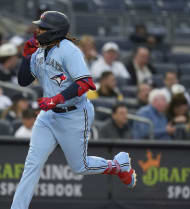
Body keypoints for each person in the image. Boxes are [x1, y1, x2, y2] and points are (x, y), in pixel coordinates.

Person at [11, 11, 136, 209]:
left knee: (80, 167)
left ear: (53, 32)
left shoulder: (69, 50)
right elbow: (23, 81)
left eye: (42, 28)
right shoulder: (39, 50)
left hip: (74, 113)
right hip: (48, 116)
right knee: (31, 165)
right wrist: (26, 58)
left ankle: (118, 165)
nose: (37, 30)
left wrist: (57, 99)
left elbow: (85, 83)